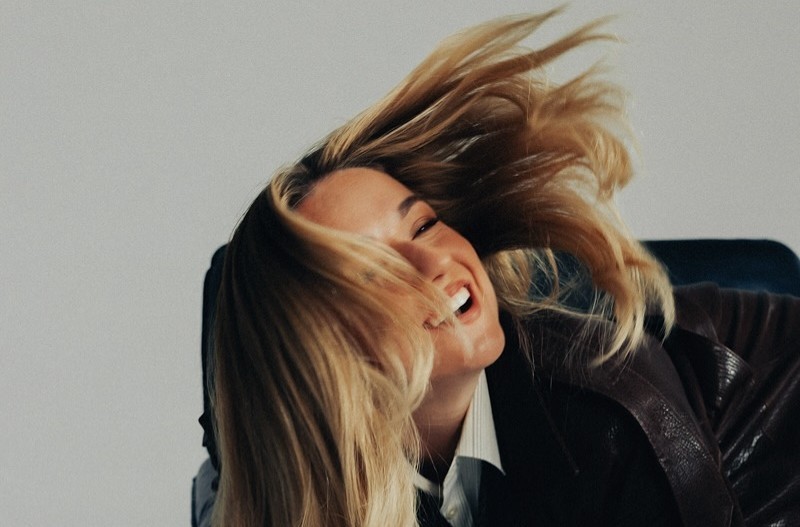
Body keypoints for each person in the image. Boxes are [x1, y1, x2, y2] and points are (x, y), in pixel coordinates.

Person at [196, 9, 800, 527]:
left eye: (424, 224)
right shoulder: (265, 456)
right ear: (311, 347)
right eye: (376, 272)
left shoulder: (605, 419)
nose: (434, 260)